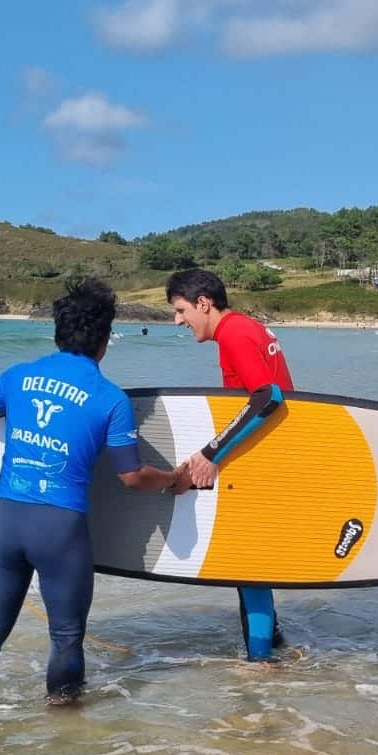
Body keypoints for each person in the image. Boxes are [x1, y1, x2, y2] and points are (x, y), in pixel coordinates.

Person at [0, 277, 187, 705]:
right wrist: (174, 479)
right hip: (60, 530)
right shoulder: (110, 399)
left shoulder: (19, 377)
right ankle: (63, 738)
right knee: (65, 638)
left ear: (58, 331)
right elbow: (131, 477)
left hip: (5, 522)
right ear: (104, 340)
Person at [166, 268, 295, 662]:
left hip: (264, 459)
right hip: (272, 452)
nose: (178, 320)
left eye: (181, 309)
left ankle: (260, 663)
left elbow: (267, 398)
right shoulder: (247, 328)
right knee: (249, 562)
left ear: (204, 303)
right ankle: (273, 647)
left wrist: (210, 453)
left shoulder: (234, 334)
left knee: (246, 564)